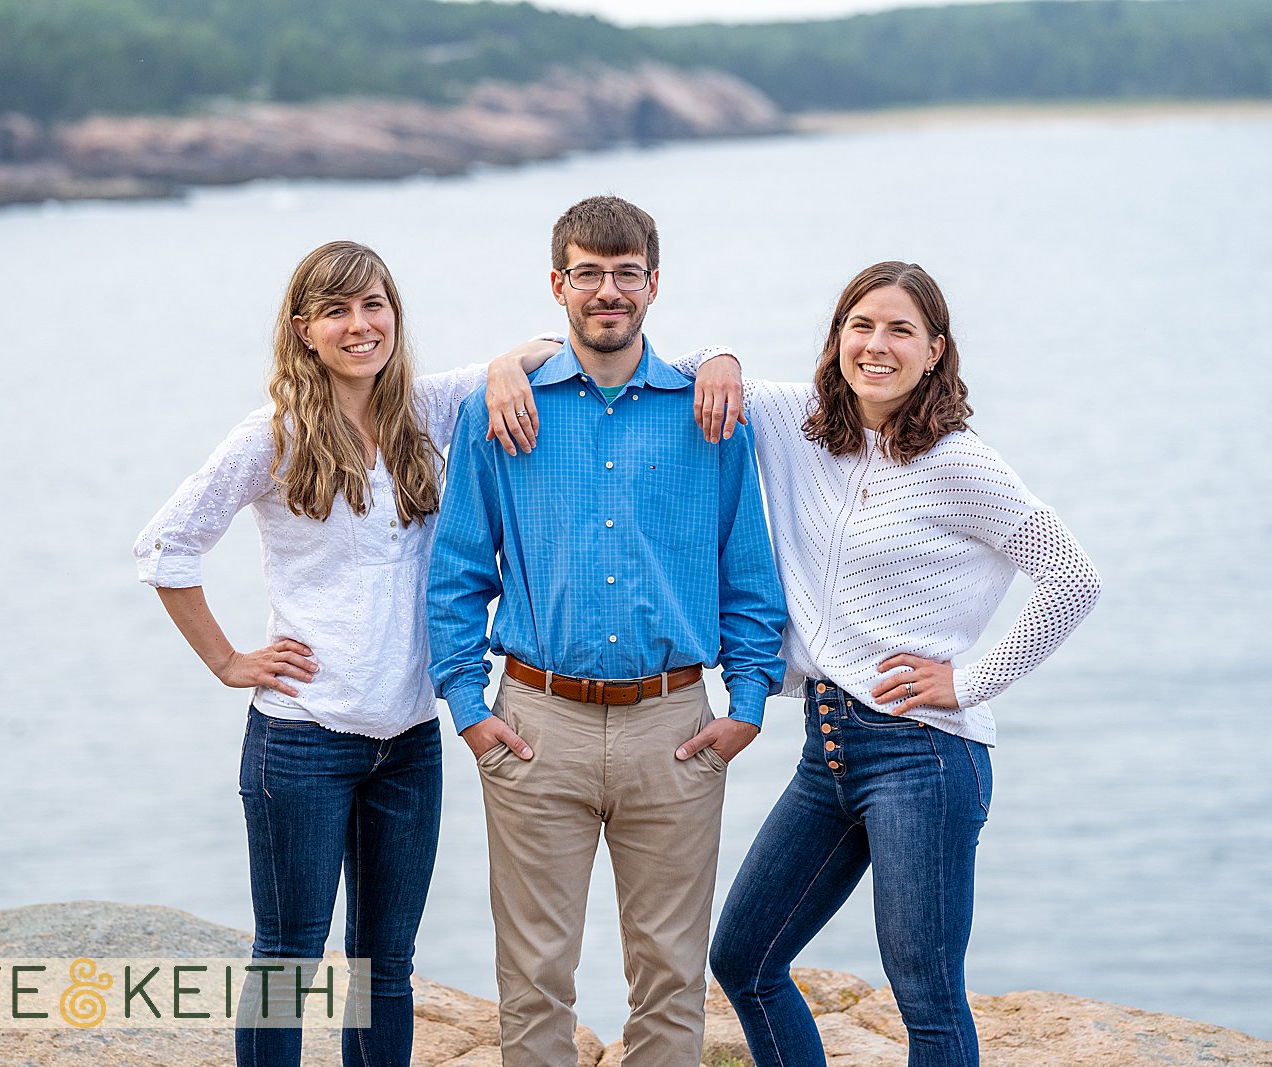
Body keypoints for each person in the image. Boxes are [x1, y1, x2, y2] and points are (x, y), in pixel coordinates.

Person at [132, 240, 560, 1067]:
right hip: (302, 739)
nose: (360, 326)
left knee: (384, 968)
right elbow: (164, 547)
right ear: (304, 331)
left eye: (374, 306)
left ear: (395, 314)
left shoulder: (429, 409)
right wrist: (229, 661)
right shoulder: (273, 436)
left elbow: (554, 349)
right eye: (337, 312)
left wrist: (506, 364)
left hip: (408, 739)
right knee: (289, 958)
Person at [680, 261, 1102, 1067]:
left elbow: (1073, 577)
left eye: (901, 330)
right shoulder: (796, 422)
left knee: (927, 999)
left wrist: (968, 680)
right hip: (827, 749)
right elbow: (683, 369)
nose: (877, 345)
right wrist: (722, 353)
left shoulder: (959, 462)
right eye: (861, 325)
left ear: (936, 350)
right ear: (838, 335)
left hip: (925, 756)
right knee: (744, 957)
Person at [427, 196, 788, 1066]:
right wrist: (470, 709)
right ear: (558, 284)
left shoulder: (712, 413)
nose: (608, 291)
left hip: (675, 729)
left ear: (654, 285)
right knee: (534, 978)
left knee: (670, 978)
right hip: (532, 725)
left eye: (627, 274)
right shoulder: (501, 411)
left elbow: (748, 574)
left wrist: (746, 705)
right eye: (588, 273)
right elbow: (458, 574)